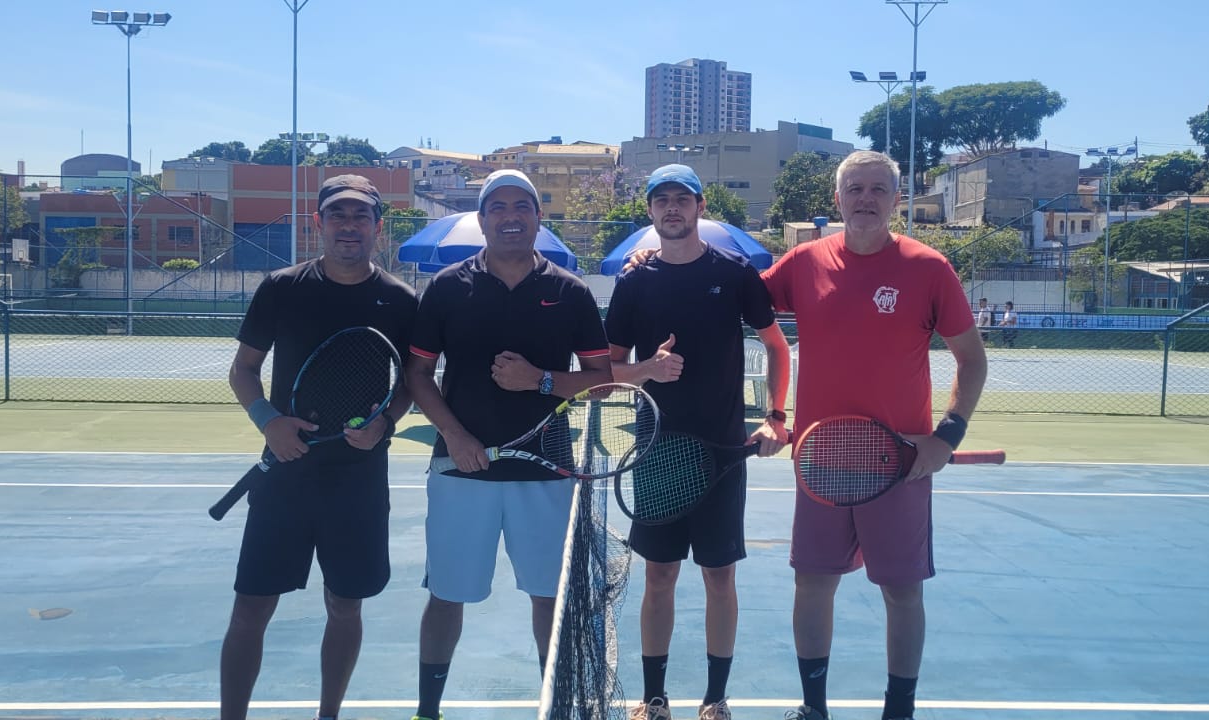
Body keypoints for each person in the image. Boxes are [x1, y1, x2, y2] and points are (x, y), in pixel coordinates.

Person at [760, 150, 988, 720]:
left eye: (878, 189)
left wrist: (947, 436)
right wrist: (661, 259)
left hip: (900, 465)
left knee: (902, 592)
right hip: (820, 462)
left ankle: (898, 712)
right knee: (813, 584)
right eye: (855, 188)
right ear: (837, 199)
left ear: (896, 199)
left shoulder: (929, 268)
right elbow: (733, 300)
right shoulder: (802, 263)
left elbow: (972, 360)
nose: (866, 198)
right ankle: (813, 708)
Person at [402, 169, 613, 720]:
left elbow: (601, 380)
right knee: (446, 595)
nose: (511, 216)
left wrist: (540, 381)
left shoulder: (569, 291)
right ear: (482, 218)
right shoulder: (447, 287)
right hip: (460, 470)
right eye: (498, 207)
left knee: (550, 598)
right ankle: (428, 711)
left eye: (523, 207)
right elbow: (418, 375)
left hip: (546, 470)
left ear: (539, 219)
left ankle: (554, 707)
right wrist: (455, 436)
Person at [221, 174, 417, 720]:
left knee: (345, 605)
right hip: (285, 476)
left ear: (377, 227)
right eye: (338, 216)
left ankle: (327, 715)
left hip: (357, 481)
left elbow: (411, 383)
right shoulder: (282, 288)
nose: (349, 226)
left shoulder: (400, 300)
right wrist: (269, 423)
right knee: (251, 608)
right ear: (318, 224)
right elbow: (243, 371)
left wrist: (385, 425)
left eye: (360, 217)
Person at [605, 164, 790, 720]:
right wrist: (648, 370)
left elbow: (778, 347)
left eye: (681, 199)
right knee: (659, 575)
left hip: (723, 453)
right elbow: (609, 369)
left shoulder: (734, 275)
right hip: (656, 450)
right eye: (661, 200)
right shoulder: (634, 281)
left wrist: (776, 417)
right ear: (650, 211)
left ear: (700, 207)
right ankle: (654, 700)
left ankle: (715, 700)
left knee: (719, 576)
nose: (672, 208)